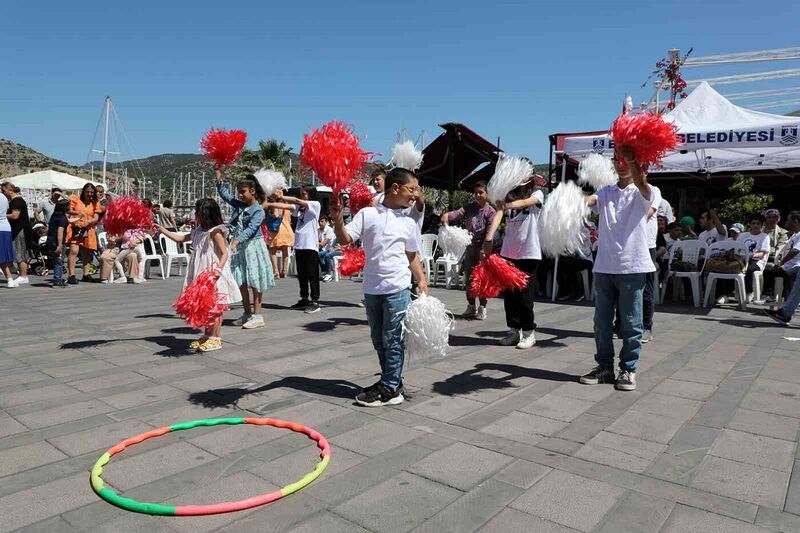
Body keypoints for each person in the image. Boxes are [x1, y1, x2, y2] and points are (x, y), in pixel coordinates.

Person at [330, 167, 428, 407]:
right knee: (378, 339)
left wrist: (422, 281)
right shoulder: (367, 214)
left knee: (393, 339)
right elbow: (345, 240)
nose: (415, 195)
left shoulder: (409, 221)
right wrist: (338, 220)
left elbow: (411, 255)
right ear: (396, 188)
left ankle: (390, 386)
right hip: (372, 288)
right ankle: (392, 382)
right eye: (412, 189)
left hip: (398, 288)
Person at [580, 147, 654, 392]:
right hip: (604, 266)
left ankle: (628, 369)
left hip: (633, 266)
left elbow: (643, 185)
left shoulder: (645, 191)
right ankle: (604, 368)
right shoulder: (605, 192)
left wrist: (634, 158)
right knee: (601, 323)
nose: (621, 164)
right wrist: (568, 201)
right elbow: (588, 201)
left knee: (631, 323)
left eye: (626, 160)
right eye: (617, 160)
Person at [158, 198, 242, 352]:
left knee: (215, 306)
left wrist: (217, 271)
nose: (195, 215)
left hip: (212, 272)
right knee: (205, 305)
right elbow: (180, 238)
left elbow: (224, 253)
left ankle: (215, 338)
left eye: (198, 212)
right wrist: (162, 229)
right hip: (199, 271)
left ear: (206, 214)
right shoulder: (198, 231)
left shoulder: (215, 231)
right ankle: (207, 335)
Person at [482, 179, 543, 350]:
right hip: (508, 253)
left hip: (529, 253)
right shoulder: (507, 197)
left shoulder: (537, 194)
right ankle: (513, 331)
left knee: (525, 297)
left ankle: (529, 332)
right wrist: (489, 237)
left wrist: (506, 205)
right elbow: (498, 214)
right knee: (510, 297)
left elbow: (524, 202)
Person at [216, 169, 275, 329]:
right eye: (239, 192)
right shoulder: (240, 205)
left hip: (253, 247)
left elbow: (251, 229)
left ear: (253, 191)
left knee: (255, 281)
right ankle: (247, 313)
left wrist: (235, 241)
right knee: (240, 280)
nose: (240, 195)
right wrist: (218, 176)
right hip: (241, 248)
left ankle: (258, 315)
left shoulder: (258, 210)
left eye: (243, 192)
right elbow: (225, 195)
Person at [440, 181, 496, 319]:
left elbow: (490, 232)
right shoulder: (470, 207)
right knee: (470, 278)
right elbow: (458, 213)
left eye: (481, 192)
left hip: (484, 248)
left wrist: (484, 249)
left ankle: (482, 307)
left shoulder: (491, 212)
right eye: (476, 192)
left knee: (482, 278)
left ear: (487, 194)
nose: (477, 195)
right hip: (470, 247)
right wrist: (447, 215)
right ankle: (471, 305)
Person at [285, 186, 322, 313]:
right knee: (302, 275)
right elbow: (287, 206)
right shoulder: (299, 209)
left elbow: (296, 201)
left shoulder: (315, 205)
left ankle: (315, 301)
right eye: (301, 194)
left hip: (310, 246)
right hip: (299, 245)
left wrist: (281, 196)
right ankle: (304, 299)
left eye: (304, 194)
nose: (302, 196)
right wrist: (269, 203)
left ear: (310, 194)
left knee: (312, 275)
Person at [764, 211, 800, 326]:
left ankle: (777, 304)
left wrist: (781, 263)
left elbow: (795, 251)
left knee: (796, 289)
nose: (786, 222)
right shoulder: (795, 234)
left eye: (788, 220)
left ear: (795, 221)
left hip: (795, 266)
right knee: (797, 291)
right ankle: (784, 314)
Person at [66, 183, 100, 284]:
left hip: (88, 228)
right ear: (83, 191)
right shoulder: (75, 199)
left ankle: (86, 274)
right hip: (76, 227)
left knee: (87, 252)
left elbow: (96, 218)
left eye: (91, 192)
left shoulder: (95, 203)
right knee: (73, 251)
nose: (89, 194)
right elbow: (69, 210)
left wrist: (88, 222)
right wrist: (79, 214)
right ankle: (71, 275)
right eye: (87, 192)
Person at [641, 184, 663, 343]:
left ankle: (646, 327)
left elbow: (648, 213)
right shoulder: (625, 191)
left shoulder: (654, 190)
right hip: (628, 246)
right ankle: (619, 325)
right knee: (622, 287)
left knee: (647, 289)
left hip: (647, 247)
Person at [2, 183, 32, 286]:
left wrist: (2, 215)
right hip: (17, 230)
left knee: (21, 253)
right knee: (17, 252)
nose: (2, 193)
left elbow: (15, 216)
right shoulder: (15, 201)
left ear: (9, 190)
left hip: (21, 230)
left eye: (3, 191)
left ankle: (23, 276)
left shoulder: (16, 201)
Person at [265, 188, 294, 280]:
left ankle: (276, 272)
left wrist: (269, 213)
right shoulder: (287, 205)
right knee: (285, 251)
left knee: (272, 250)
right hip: (287, 229)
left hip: (276, 230)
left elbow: (276, 215)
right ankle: (284, 271)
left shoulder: (276, 205)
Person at [739, 215, 771, 297]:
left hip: (756, 261)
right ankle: (725, 294)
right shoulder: (743, 235)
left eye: (758, 223)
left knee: (749, 269)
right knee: (730, 267)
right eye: (753, 223)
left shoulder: (765, 237)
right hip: (741, 259)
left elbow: (762, 254)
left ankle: (750, 292)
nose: (755, 225)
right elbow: (737, 249)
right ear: (749, 224)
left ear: (762, 225)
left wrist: (749, 256)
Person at [45, 199, 69, 287]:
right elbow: (60, 231)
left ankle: (57, 277)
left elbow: (68, 221)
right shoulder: (63, 218)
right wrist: (59, 245)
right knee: (59, 260)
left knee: (55, 260)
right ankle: (57, 279)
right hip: (57, 242)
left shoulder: (54, 215)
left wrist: (79, 217)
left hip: (50, 240)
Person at [0, 186, 16, 285]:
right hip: (5, 228)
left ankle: (10, 279)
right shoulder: (4, 198)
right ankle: (10, 279)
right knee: (3, 257)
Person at [317, 215, 338, 282]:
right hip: (326, 249)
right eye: (319, 221)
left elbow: (323, 243)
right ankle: (324, 271)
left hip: (335, 249)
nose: (320, 223)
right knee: (316, 254)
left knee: (326, 255)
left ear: (326, 222)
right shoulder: (318, 230)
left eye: (322, 221)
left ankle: (329, 274)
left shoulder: (329, 230)